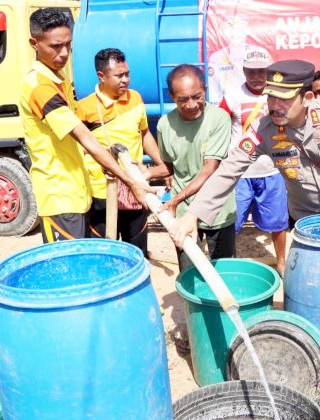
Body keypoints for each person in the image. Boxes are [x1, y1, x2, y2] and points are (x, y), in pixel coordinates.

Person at [170, 60, 320, 250]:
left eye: (284, 99)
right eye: (271, 97)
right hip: (306, 223)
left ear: (307, 98)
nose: (274, 106)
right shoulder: (262, 130)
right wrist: (193, 214)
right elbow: (228, 170)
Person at [20, 9, 150, 243]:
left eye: (68, 45)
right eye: (55, 46)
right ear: (34, 43)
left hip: (76, 191)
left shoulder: (58, 79)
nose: (64, 53)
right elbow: (86, 138)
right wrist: (130, 182)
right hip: (59, 195)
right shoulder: (39, 86)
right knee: (68, 268)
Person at [75, 48, 169, 253]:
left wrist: (163, 166)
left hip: (135, 188)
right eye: (119, 75)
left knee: (136, 249)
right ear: (101, 76)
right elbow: (79, 149)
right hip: (102, 192)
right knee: (103, 251)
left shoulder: (135, 98)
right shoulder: (85, 108)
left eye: (127, 74)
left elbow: (144, 134)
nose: (126, 80)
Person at [158, 64, 237, 272]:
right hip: (183, 213)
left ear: (206, 90)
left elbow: (208, 170)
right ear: (172, 96)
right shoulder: (165, 124)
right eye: (183, 99)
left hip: (217, 209)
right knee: (188, 274)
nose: (191, 104)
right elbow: (167, 167)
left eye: (197, 96)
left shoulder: (218, 118)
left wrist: (174, 200)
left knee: (225, 272)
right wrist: (143, 172)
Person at [219, 49, 289, 276]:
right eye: (252, 72)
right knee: (231, 224)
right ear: (244, 71)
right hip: (240, 174)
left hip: (272, 171)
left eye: (262, 71)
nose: (257, 76)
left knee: (278, 223)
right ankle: (230, 267)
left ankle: (281, 263)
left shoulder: (280, 95)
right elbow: (219, 128)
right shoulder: (232, 96)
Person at [207, 15, 271, 104]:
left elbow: (271, 81)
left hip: (258, 104)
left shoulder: (260, 52)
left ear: (247, 30)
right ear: (226, 32)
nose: (236, 33)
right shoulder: (216, 57)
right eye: (232, 28)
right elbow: (213, 91)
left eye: (240, 29)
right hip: (229, 107)